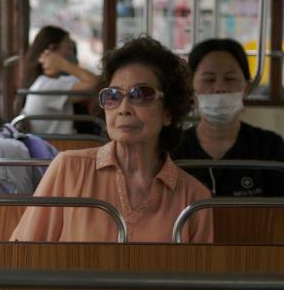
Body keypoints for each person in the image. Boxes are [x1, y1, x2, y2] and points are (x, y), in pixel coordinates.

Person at [11, 36, 213, 243]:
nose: (124, 109)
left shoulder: (194, 198)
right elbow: (22, 254)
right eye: (113, 96)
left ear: (168, 112)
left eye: (141, 95)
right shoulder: (69, 170)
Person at [172, 38, 284, 197]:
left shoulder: (269, 147)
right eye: (209, 79)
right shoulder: (174, 148)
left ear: (246, 88)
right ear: (191, 88)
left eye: (230, 78)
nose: (220, 88)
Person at [19, 26, 99, 134]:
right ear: (52, 49)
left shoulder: (56, 81)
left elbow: (96, 82)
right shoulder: (45, 86)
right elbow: (95, 84)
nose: (71, 53)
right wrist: (63, 64)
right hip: (58, 143)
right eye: (68, 48)